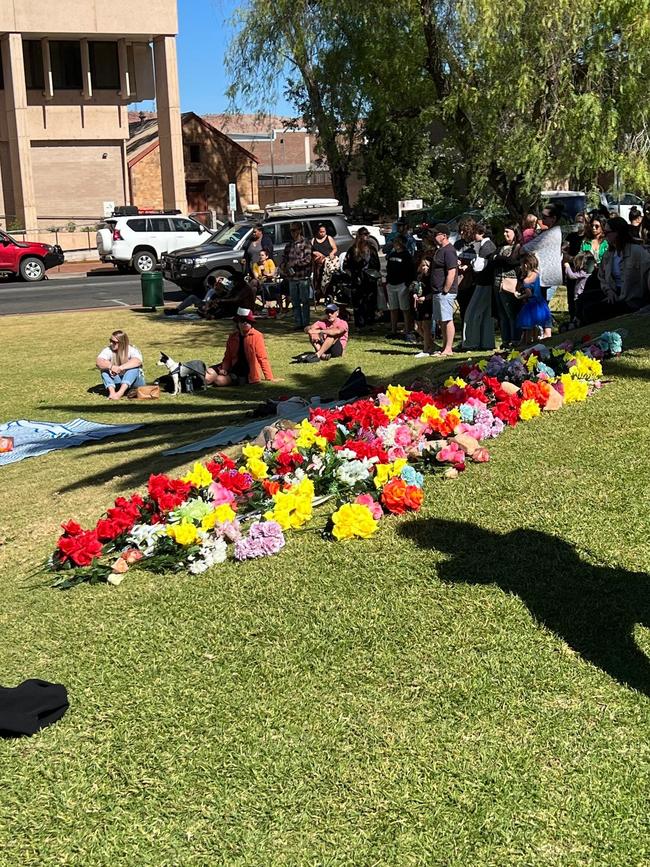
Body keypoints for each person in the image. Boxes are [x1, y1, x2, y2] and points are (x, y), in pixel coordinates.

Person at [416, 223, 458, 357]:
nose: (434, 236)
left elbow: (452, 271)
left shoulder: (449, 251)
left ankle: (448, 349)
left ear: (444, 236)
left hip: (445, 291)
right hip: (437, 291)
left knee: (447, 319)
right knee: (441, 321)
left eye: (436, 234)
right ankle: (444, 347)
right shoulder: (440, 250)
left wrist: (446, 289)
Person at [205, 308, 274, 387]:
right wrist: (224, 368)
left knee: (219, 380)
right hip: (232, 366)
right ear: (237, 323)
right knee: (208, 375)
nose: (245, 323)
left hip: (246, 372)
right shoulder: (233, 337)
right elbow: (228, 357)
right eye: (242, 320)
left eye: (248, 321)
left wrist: (269, 377)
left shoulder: (257, 336)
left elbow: (262, 358)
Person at [523, 202, 563, 335]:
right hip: (543, 275)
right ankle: (540, 332)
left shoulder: (552, 233)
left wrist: (520, 249)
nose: (542, 220)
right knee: (540, 303)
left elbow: (531, 246)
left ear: (553, 218)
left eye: (545, 217)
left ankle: (546, 332)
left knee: (541, 304)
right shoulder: (548, 232)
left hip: (548, 275)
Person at [597, 216, 650, 316]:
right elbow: (602, 276)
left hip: (631, 299)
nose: (604, 235)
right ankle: (573, 325)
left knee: (592, 310)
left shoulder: (637, 252)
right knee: (583, 299)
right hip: (613, 293)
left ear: (617, 233)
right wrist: (609, 291)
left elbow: (648, 271)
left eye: (607, 232)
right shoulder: (609, 254)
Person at [462, 223, 496, 351]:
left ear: (481, 233)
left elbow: (478, 267)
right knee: (486, 315)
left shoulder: (485, 247)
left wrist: (473, 259)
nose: (472, 235)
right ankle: (486, 342)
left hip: (483, 284)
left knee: (472, 314)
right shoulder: (489, 245)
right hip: (487, 284)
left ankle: (470, 342)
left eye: (475, 233)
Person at [493, 224, 522, 348]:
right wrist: (501, 258)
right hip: (497, 283)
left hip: (510, 283)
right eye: (504, 232)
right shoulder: (500, 247)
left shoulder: (518, 247)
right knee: (502, 315)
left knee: (511, 313)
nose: (505, 234)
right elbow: (492, 259)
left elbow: (512, 261)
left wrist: (499, 258)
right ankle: (505, 340)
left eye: (507, 232)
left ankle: (515, 339)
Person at [343, 234, 381, 329]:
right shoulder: (353, 250)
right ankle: (360, 324)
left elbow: (377, 265)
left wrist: (376, 276)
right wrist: (353, 275)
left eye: (367, 235)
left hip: (370, 279)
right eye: (363, 235)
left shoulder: (372, 249)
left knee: (370, 301)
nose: (365, 237)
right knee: (358, 303)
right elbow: (346, 266)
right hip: (357, 280)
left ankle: (370, 322)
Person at [280, 222, 312, 330]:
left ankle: (306, 323)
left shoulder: (306, 243)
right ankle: (298, 323)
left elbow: (308, 260)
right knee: (295, 302)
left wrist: (294, 263)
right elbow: (284, 258)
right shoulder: (289, 245)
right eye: (291, 231)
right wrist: (284, 266)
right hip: (292, 278)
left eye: (294, 230)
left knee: (305, 301)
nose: (292, 233)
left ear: (299, 230)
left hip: (303, 277)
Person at [96, 330, 145, 400]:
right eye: (110, 340)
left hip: (135, 383)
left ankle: (120, 393)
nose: (111, 343)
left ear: (122, 343)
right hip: (118, 381)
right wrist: (111, 367)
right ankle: (112, 393)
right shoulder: (108, 350)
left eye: (114, 342)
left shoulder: (132, 349)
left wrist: (120, 368)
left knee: (134, 368)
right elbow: (99, 362)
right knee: (104, 369)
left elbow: (137, 361)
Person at [515, 252, 551, 345]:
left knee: (528, 326)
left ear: (526, 266)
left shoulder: (527, 280)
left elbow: (529, 293)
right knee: (536, 325)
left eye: (522, 265)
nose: (521, 267)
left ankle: (527, 343)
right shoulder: (537, 274)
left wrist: (519, 296)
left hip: (531, 304)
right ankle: (535, 342)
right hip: (540, 303)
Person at [385, 235, 417, 341]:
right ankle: (393, 330)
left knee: (405, 309)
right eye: (394, 242)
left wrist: (408, 284)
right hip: (391, 284)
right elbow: (388, 268)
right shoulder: (392, 254)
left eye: (397, 242)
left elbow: (411, 271)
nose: (395, 244)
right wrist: (387, 281)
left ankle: (407, 330)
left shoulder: (407, 256)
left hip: (402, 284)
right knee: (393, 308)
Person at [453, 217, 479, 326]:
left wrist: (468, 267)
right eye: (461, 230)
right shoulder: (458, 244)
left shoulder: (477, 245)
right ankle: (465, 339)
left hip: (474, 283)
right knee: (463, 310)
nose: (462, 233)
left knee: (473, 311)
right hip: (461, 283)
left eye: (465, 230)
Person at [562, 211, 586, 323]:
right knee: (571, 295)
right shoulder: (571, 236)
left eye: (581, 222)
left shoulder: (586, 237)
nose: (578, 224)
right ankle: (572, 318)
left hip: (583, 271)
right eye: (576, 222)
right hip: (571, 269)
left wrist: (572, 259)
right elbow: (564, 248)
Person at [563, 251, 596, 328]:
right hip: (581, 295)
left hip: (579, 295)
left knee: (577, 310)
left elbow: (571, 275)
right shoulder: (587, 271)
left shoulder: (584, 272)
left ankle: (577, 322)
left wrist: (567, 266)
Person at [311, 223, 338, 303]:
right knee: (318, 281)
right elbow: (310, 250)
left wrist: (332, 253)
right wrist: (314, 253)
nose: (322, 233)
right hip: (317, 265)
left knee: (327, 280)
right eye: (321, 232)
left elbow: (335, 248)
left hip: (327, 263)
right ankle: (318, 296)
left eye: (324, 232)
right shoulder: (314, 240)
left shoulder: (329, 238)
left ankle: (328, 296)